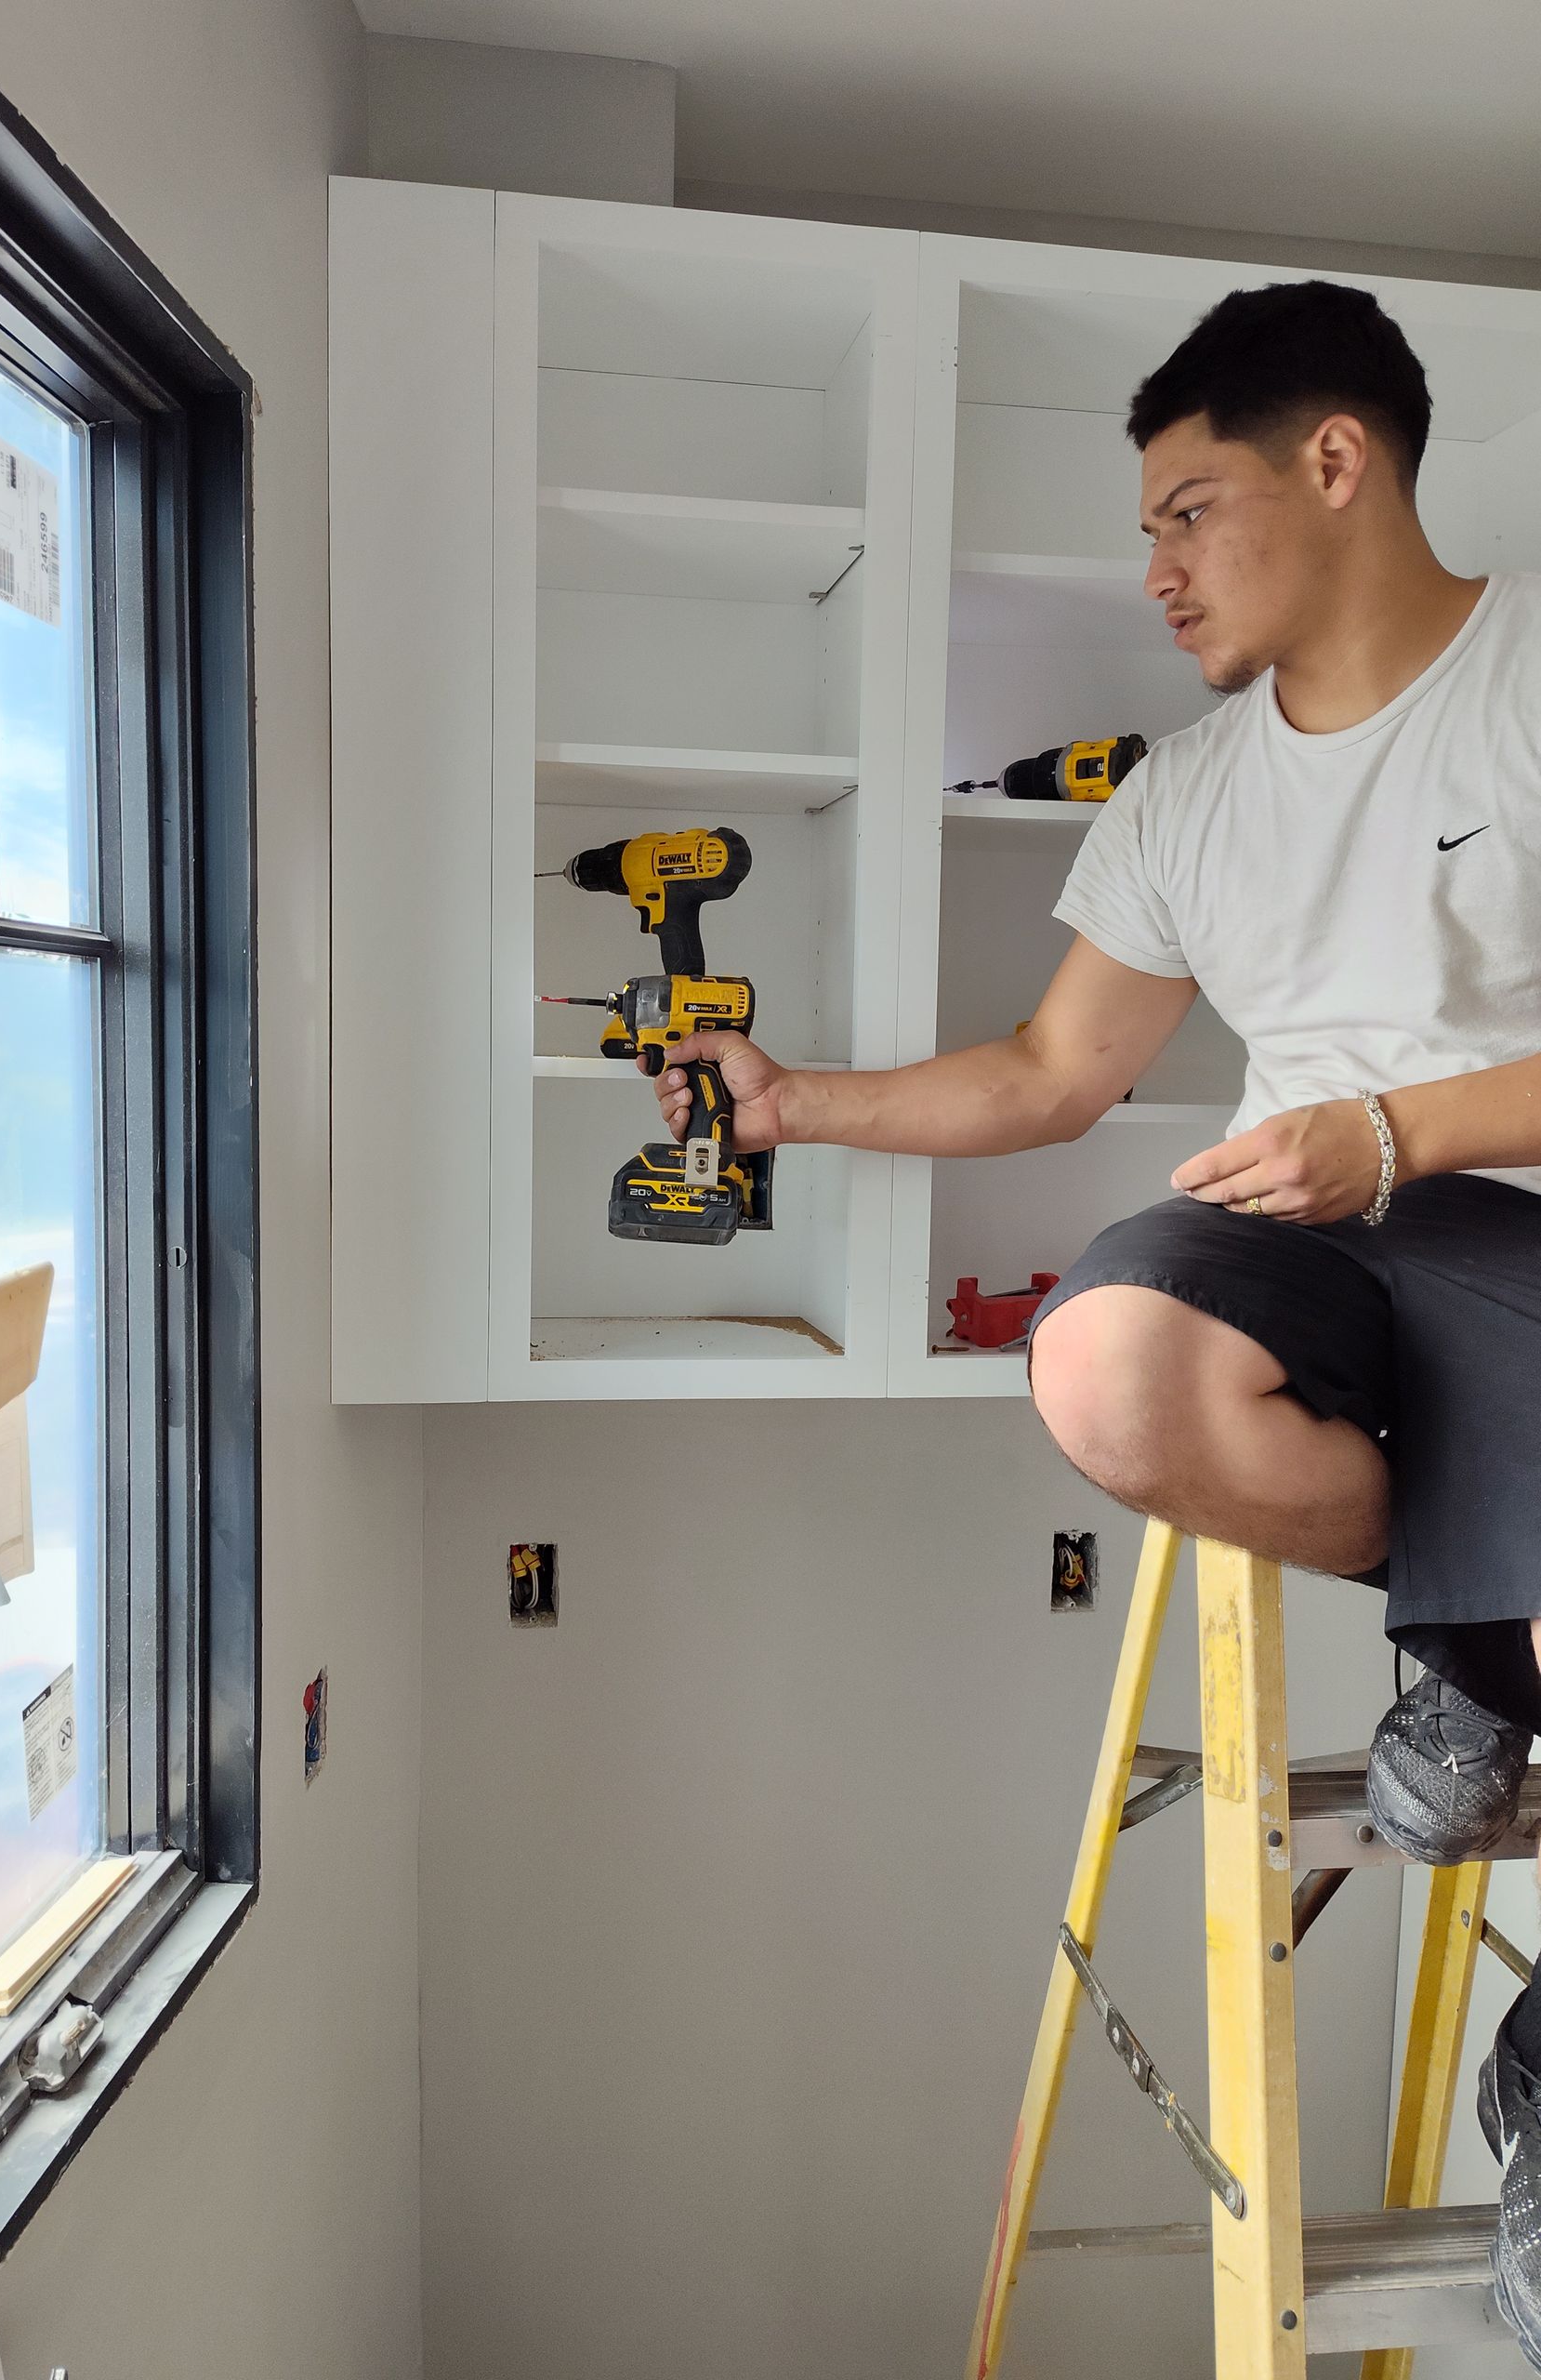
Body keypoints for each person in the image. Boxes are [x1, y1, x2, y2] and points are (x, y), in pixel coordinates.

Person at [644, 278, 1541, 2360]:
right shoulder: (1187, 794)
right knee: (1100, 1350)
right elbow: (1053, 1073)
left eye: (1185, 509)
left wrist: (1397, 1127)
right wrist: (798, 1107)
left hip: (1511, 1226)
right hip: (1307, 1239)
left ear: (1338, 461)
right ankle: (1482, 1644)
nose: (1154, 568)